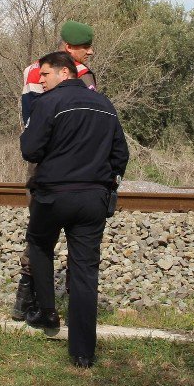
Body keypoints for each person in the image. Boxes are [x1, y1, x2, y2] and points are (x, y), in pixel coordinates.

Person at [19, 50, 129, 367]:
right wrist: (108, 183)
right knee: (85, 272)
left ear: (64, 73)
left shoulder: (47, 104)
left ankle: (48, 312)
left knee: (40, 244)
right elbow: (120, 154)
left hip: (53, 195)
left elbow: (30, 150)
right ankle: (83, 353)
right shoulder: (106, 106)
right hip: (93, 198)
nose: (40, 81)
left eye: (45, 75)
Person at [13, 21, 98, 321]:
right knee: (79, 233)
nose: (90, 51)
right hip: (73, 162)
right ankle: (78, 302)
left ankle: (26, 298)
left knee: (38, 232)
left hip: (39, 160)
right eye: (85, 47)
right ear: (68, 49)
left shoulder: (31, 70)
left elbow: (29, 118)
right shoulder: (82, 76)